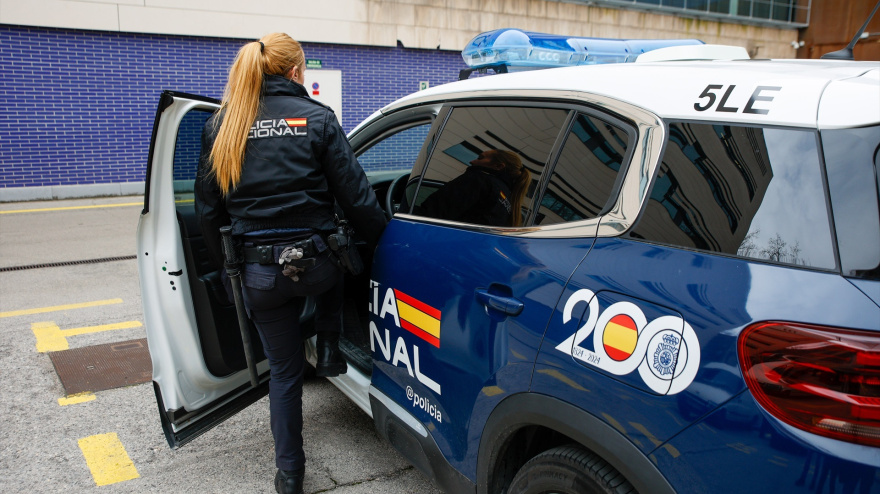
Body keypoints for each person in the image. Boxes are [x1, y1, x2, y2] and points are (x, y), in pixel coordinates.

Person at [194, 32, 387, 494]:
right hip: (318, 267)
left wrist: (228, 268)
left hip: (259, 275)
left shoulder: (224, 125)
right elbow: (357, 199)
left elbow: (207, 213)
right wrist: (383, 240)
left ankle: (290, 476)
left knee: (282, 376)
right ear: (297, 72)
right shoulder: (318, 119)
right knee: (341, 261)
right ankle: (328, 344)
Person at [419, 149, 530, 227]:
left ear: (498, 166)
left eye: (480, 158)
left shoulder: (479, 180)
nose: (472, 161)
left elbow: (435, 213)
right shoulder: (507, 198)